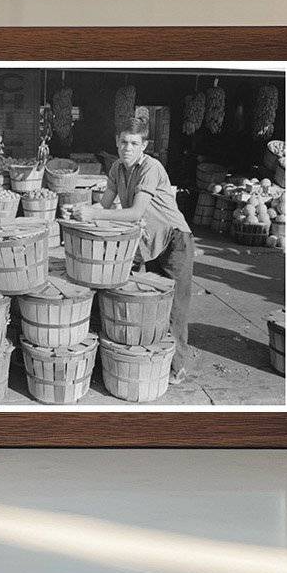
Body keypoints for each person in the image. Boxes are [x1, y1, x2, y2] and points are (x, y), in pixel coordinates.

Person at [75, 117, 195, 384]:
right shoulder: (117, 168)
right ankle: (153, 360)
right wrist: (83, 211)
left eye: (134, 143)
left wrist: (94, 217)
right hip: (151, 241)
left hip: (175, 240)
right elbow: (104, 206)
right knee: (153, 304)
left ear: (144, 145)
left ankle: (177, 368)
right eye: (123, 142)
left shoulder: (151, 168)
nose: (127, 148)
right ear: (117, 143)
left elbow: (136, 212)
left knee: (175, 306)